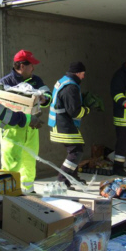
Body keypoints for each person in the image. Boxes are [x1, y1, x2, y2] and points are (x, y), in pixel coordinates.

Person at [0, 49, 52, 193]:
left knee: (29, 161)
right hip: (13, 130)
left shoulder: (36, 80)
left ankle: (29, 191)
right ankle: (10, 193)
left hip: (32, 128)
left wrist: (44, 98)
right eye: (31, 65)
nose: (33, 68)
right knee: (11, 163)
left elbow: (48, 96)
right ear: (22, 66)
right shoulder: (5, 82)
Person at [48, 61, 91, 190]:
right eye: (83, 74)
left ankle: (72, 177)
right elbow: (75, 112)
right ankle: (61, 181)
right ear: (77, 73)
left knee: (75, 149)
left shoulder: (64, 80)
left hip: (60, 123)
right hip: (63, 124)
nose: (83, 77)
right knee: (76, 151)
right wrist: (87, 109)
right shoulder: (71, 87)